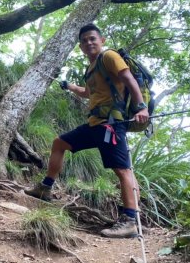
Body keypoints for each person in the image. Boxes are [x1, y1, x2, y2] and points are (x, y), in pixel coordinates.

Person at [25, 23, 149, 238]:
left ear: (102, 40)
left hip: (111, 124)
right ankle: (45, 187)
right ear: (81, 47)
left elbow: (128, 78)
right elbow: (88, 93)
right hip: (95, 124)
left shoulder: (109, 56)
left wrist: (140, 106)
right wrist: (71, 87)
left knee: (123, 170)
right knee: (59, 143)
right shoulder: (91, 68)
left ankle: (130, 220)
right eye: (84, 41)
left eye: (92, 38)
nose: (88, 43)